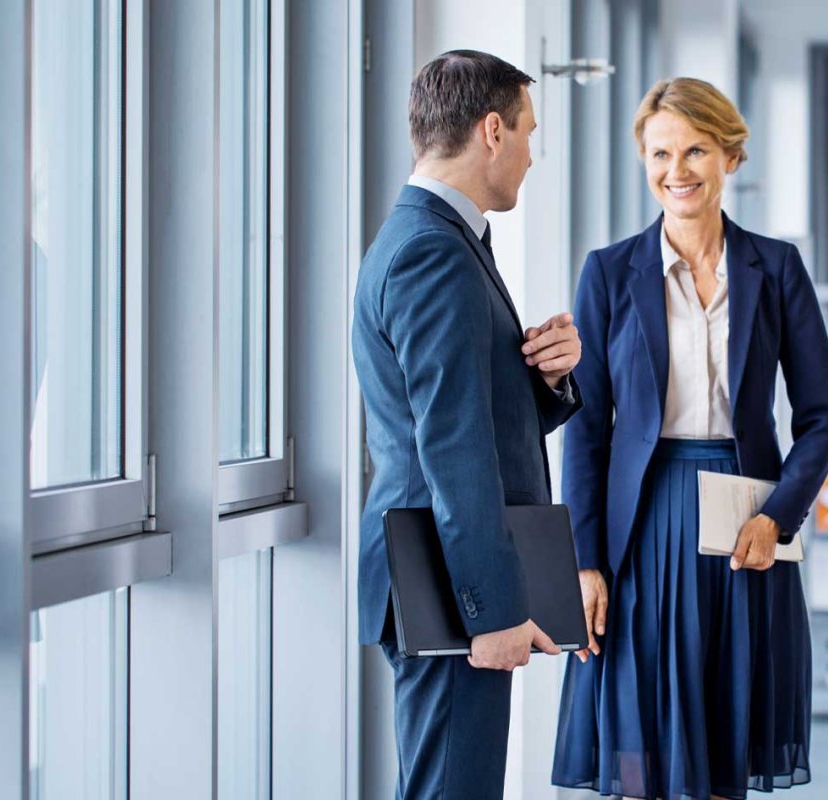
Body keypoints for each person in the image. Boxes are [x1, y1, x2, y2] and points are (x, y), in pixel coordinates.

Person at [552, 77, 828, 800]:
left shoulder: (775, 269)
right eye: (659, 154)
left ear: (730, 157)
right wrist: (585, 563)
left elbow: (821, 415)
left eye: (695, 151)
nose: (675, 172)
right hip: (642, 530)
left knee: (725, 740)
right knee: (643, 748)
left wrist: (779, 517)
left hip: (746, 525)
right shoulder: (609, 273)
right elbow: (587, 431)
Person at [351, 49, 585, 799]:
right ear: (492, 130)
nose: (530, 156)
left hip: (439, 573)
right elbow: (450, 446)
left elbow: (466, 413)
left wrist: (545, 382)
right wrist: (492, 610)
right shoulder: (432, 251)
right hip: (447, 584)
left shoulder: (439, 239)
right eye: (527, 133)